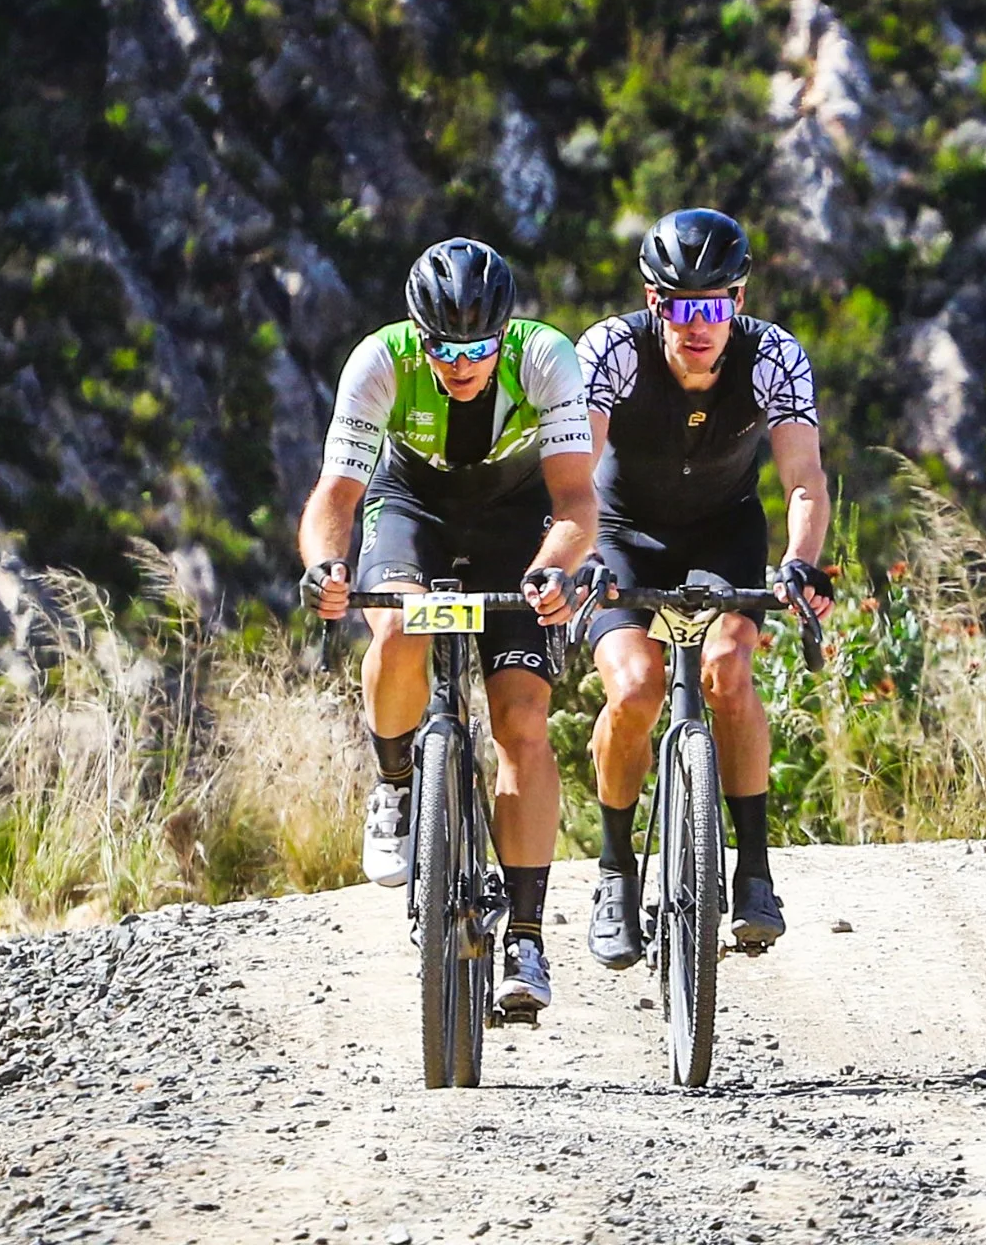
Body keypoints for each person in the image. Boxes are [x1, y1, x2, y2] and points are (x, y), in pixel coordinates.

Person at [298, 237, 597, 1019]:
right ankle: (397, 785)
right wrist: (328, 567)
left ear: (505, 333)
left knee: (523, 718)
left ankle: (526, 935)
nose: (462, 364)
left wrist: (555, 567)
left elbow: (575, 504)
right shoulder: (380, 362)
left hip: (514, 520)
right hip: (413, 509)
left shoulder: (547, 359)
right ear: (416, 334)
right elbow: (336, 496)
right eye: (444, 348)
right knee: (398, 629)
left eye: (478, 347)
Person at [574, 208, 834, 969]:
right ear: (655, 303)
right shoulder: (612, 351)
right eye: (682, 307)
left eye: (714, 306)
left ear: (739, 303)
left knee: (727, 670)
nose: (698, 325)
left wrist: (801, 562)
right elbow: (577, 474)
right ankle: (616, 875)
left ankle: (753, 871)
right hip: (622, 533)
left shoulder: (775, 357)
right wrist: (580, 555)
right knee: (634, 688)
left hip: (724, 533)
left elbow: (805, 480)